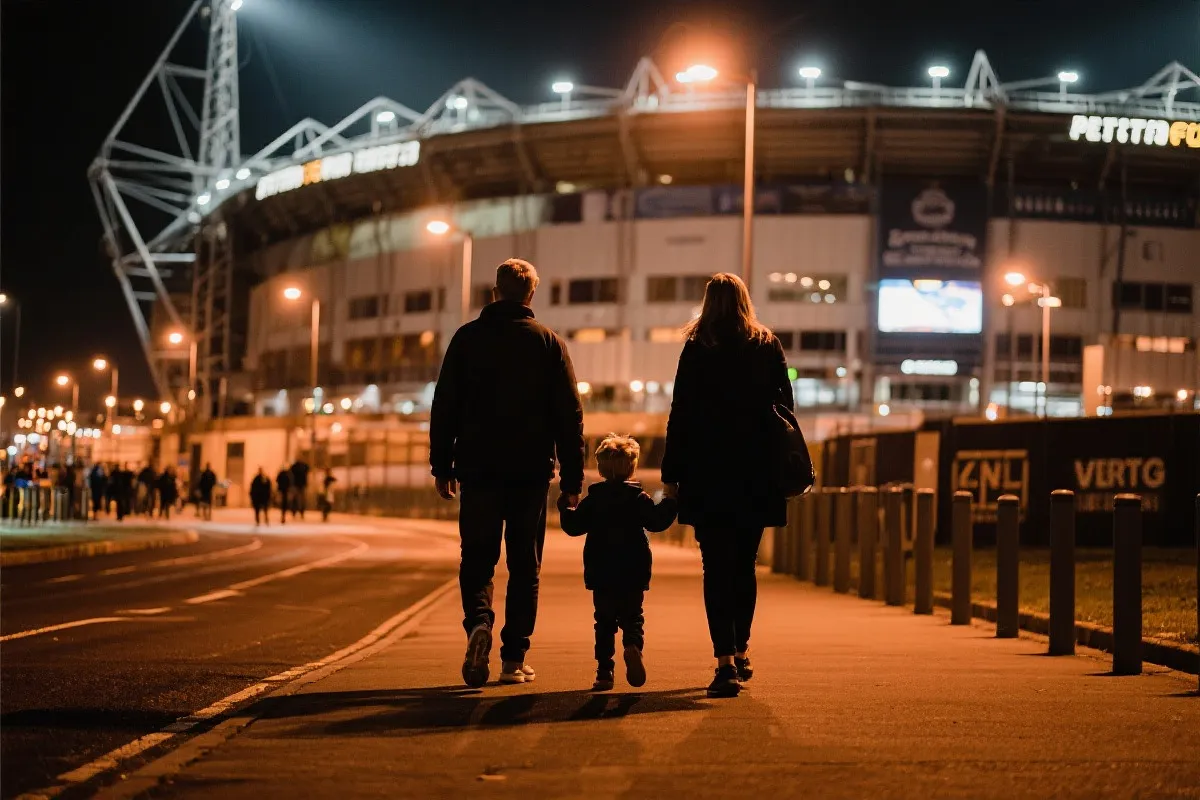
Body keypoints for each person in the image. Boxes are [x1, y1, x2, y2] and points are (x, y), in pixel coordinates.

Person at [430, 257, 585, 688]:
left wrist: (442, 465)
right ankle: (513, 658)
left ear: (495, 291)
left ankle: (479, 622)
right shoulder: (549, 343)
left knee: (477, 558)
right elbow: (569, 416)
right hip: (529, 473)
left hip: (478, 469)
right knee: (524, 565)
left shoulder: (467, 338)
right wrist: (572, 482)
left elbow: (445, 405)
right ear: (531, 293)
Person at [661, 273, 795, 699]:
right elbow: (785, 409)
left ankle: (724, 663)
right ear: (744, 301)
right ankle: (741, 649)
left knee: (715, 568)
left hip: (707, 474)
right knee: (744, 565)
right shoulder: (766, 345)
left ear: (708, 303)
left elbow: (680, 413)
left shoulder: (697, 347)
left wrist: (671, 474)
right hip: (755, 473)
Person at [557, 435, 677, 692]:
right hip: (633, 570)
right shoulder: (638, 498)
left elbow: (574, 526)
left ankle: (604, 671)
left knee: (604, 621)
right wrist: (670, 501)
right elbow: (657, 521)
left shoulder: (594, 500)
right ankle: (632, 645)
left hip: (601, 570)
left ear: (601, 469)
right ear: (632, 468)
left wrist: (565, 508)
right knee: (633, 616)